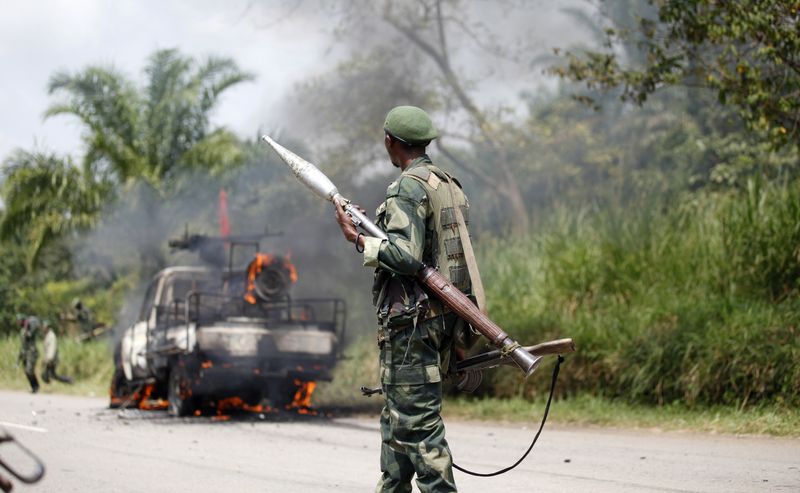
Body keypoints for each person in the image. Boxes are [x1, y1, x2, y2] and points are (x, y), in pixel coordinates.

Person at [335, 106, 478, 493]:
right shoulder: (447, 184)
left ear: (390, 141)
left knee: (419, 429)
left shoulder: (406, 188)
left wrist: (359, 239)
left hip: (412, 329)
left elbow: (407, 257)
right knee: (397, 428)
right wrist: (459, 335)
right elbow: (451, 260)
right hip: (441, 321)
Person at [42, 319, 73, 384]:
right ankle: (69, 380)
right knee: (50, 375)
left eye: (44, 327)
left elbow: (52, 349)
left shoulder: (51, 336)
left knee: (48, 375)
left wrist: (48, 359)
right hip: (50, 359)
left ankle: (69, 380)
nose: (43, 328)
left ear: (47, 327)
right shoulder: (47, 335)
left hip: (52, 359)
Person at [17, 314, 40, 393]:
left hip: (31, 352)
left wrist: (27, 326)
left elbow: (30, 335)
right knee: (26, 371)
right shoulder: (22, 331)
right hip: (25, 353)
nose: (18, 322)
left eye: (20, 321)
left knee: (29, 370)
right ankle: (33, 387)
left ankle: (36, 386)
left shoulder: (29, 329)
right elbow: (22, 344)